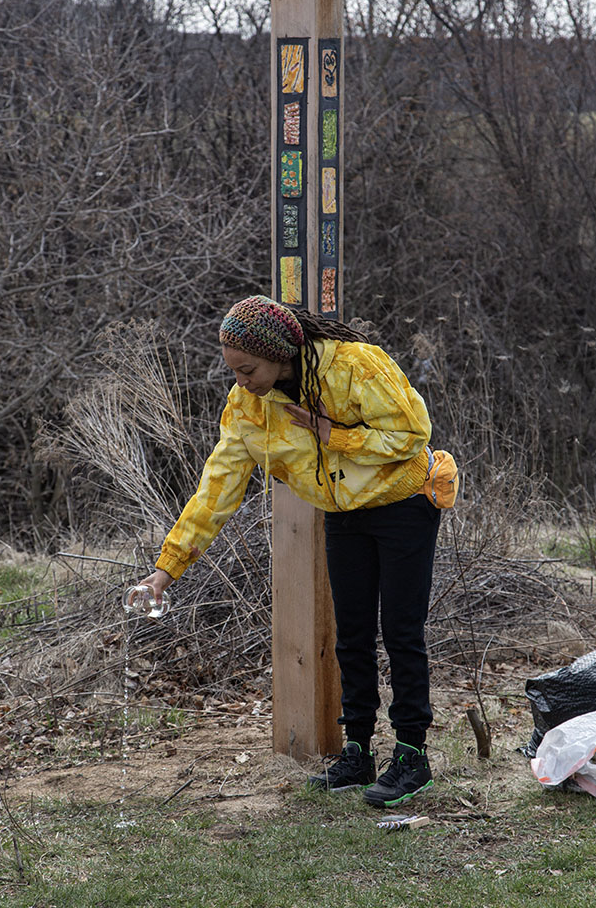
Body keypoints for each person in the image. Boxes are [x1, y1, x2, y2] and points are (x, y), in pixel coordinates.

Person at [140, 294, 441, 809]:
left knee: (401, 632)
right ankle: (359, 751)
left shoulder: (355, 364)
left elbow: (413, 434)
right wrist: (166, 570)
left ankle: (412, 755)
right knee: (352, 634)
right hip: (344, 514)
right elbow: (216, 489)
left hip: (403, 504)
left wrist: (335, 436)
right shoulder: (249, 406)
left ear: (279, 353)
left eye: (248, 369)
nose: (241, 381)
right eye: (233, 371)